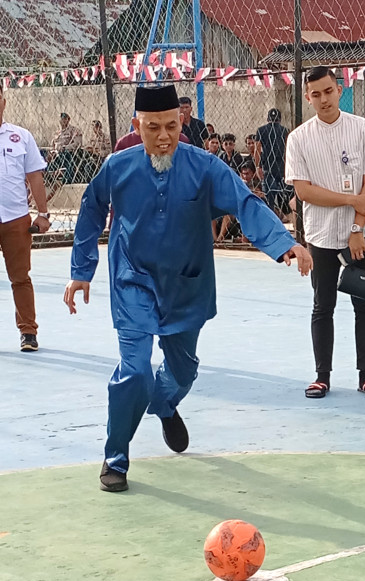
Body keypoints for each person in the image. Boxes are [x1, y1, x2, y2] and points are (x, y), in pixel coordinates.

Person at [63, 85, 312, 493]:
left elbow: (245, 202)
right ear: (136, 126)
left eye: (172, 127)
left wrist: (283, 244)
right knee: (136, 369)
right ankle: (116, 457)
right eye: (153, 127)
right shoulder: (117, 167)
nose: (164, 137)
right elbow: (91, 211)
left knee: (182, 371)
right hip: (133, 281)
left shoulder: (206, 167)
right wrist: (81, 270)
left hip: (187, 283)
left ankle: (163, 404)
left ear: (183, 125)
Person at [285, 66, 365, 399]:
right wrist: (348, 199)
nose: (323, 99)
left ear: (339, 90)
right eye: (316, 94)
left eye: (328, 91)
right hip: (321, 236)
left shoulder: (363, 129)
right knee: (322, 306)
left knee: (364, 304)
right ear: (307, 97)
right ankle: (322, 376)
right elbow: (303, 191)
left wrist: (357, 226)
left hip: (360, 234)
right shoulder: (298, 138)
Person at [0, 84, 52, 351]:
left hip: (16, 219)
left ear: (4, 101)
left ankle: (28, 332)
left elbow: (34, 176)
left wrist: (43, 214)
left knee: (20, 277)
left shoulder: (20, 137)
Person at [256, 108, 291, 216]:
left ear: (268, 118)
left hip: (267, 165)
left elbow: (257, 150)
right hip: (281, 165)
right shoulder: (284, 130)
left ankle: (271, 217)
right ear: (279, 119)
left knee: (269, 196)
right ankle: (284, 215)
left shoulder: (261, 130)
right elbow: (287, 150)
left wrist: (258, 166)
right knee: (282, 194)